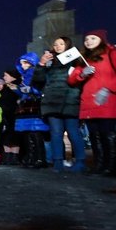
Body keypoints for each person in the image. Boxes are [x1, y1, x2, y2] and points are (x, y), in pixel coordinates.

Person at [67, 29, 116, 175]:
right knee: (94, 135)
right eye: (86, 39)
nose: (88, 41)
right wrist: (82, 74)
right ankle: (99, 164)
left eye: (93, 38)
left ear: (101, 40)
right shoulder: (84, 59)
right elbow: (72, 79)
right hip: (89, 102)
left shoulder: (112, 53)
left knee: (107, 134)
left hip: (107, 100)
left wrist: (109, 88)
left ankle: (112, 165)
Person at [35, 37, 86, 173]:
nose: (57, 46)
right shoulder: (49, 61)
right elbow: (38, 82)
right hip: (52, 102)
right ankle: (58, 162)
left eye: (61, 44)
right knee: (56, 133)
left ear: (68, 45)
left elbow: (80, 79)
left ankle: (80, 162)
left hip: (70, 101)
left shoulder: (76, 59)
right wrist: (41, 64)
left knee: (73, 132)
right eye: (55, 44)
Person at [14, 53, 49, 169]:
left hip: (33, 104)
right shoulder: (25, 75)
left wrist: (30, 90)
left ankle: (39, 158)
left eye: (25, 62)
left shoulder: (34, 71)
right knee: (28, 132)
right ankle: (32, 157)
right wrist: (20, 90)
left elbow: (41, 86)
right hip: (26, 105)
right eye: (21, 63)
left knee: (35, 131)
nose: (22, 65)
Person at [0, 72, 22, 164]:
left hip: (15, 115)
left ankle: (14, 157)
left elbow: (21, 97)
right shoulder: (5, 87)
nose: (4, 77)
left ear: (13, 77)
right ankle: (7, 157)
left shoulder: (18, 85)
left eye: (6, 75)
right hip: (5, 115)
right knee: (7, 136)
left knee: (14, 136)